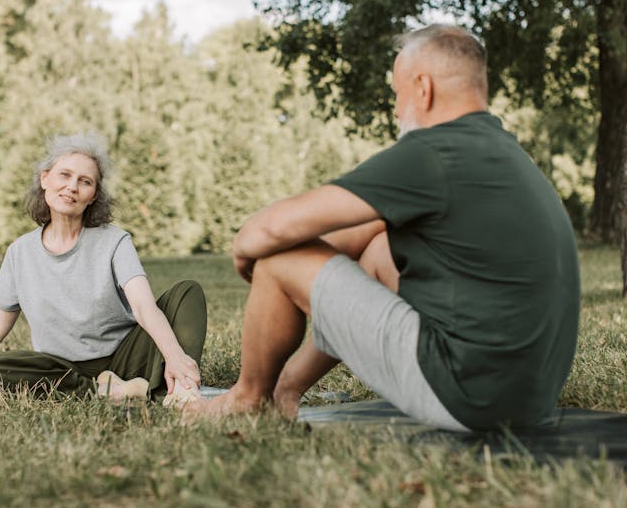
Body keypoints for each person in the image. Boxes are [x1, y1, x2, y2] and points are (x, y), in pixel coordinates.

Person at [190, 24, 580, 431]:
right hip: (525, 398)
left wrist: (252, 259)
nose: (396, 110)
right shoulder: (500, 152)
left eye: (397, 94)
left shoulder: (433, 153)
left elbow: (266, 232)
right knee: (378, 251)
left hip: (469, 396)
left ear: (423, 88)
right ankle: (284, 390)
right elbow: (358, 236)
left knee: (279, 257)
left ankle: (247, 399)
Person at [0, 133, 207, 404]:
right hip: (60, 369)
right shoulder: (20, 252)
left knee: (187, 293)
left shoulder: (114, 241)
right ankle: (108, 391)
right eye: (64, 175)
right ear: (45, 179)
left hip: (126, 359)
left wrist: (174, 356)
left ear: (93, 196)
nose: (72, 187)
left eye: (85, 181)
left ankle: (179, 384)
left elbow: (142, 306)